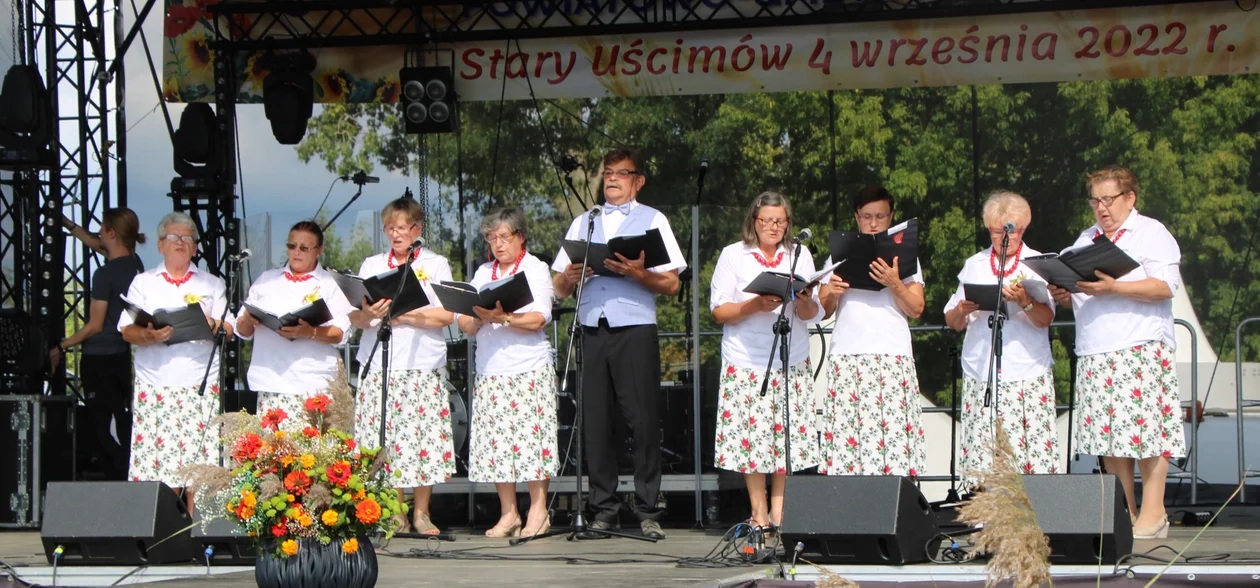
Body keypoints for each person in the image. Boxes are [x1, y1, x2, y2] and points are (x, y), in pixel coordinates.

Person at [551, 147, 686, 540]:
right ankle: (603, 509)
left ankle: (647, 509)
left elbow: (672, 282)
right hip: (592, 326)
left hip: (634, 326)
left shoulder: (653, 219)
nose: (611, 179)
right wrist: (572, 275)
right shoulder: (584, 222)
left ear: (638, 180)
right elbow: (557, 287)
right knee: (595, 421)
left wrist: (638, 273)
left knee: (641, 419)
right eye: (608, 173)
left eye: (621, 173)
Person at [1048, 165, 1185, 539]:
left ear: (1130, 198)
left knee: (1146, 432)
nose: (1101, 208)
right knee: (1107, 436)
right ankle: (1125, 510)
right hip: (1096, 349)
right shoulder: (1086, 238)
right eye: (1095, 200)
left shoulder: (1150, 232)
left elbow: (1164, 286)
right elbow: (1079, 288)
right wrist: (1064, 292)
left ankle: (1154, 511)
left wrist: (1115, 289)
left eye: (1108, 199)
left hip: (1139, 346)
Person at [710, 191, 823, 531]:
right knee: (752, 438)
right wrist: (752, 306)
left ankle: (780, 511)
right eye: (767, 221)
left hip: (791, 357)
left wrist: (803, 299)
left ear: (788, 224)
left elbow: (812, 312)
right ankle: (758, 512)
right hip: (746, 360)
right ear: (754, 222)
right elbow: (719, 311)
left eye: (780, 221)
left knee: (784, 435)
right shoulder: (734, 255)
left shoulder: (799, 256)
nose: (773, 227)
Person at [349, 197, 455, 536]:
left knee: (420, 439)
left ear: (417, 229)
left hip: (421, 363)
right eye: (389, 228)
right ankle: (395, 511)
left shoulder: (436, 264)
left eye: (402, 228)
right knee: (388, 441)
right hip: (380, 362)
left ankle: (422, 512)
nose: (395, 234)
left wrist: (401, 312)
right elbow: (356, 316)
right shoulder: (371, 264)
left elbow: (447, 314)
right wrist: (371, 315)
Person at [943, 191, 1058, 489]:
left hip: (1026, 371)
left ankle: (1031, 519)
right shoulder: (975, 264)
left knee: (1027, 449)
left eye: (1009, 231)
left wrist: (1025, 302)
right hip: (983, 371)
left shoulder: (1036, 264)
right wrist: (962, 309)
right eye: (995, 231)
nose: (1002, 238)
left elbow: (1046, 319)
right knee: (984, 451)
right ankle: (986, 520)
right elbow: (953, 321)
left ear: (1023, 229)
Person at [117, 212, 230, 509]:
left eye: (187, 239)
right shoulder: (143, 283)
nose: (180, 243)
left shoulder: (212, 284)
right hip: (155, 385)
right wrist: (150, 336)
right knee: (155, 465)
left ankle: (194, 537)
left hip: (198, 386)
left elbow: (230, 329)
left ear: (194, 248)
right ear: (160, 246)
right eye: (173, 238)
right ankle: (158, 538)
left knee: (199, 466)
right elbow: (127, 331)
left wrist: (211, 323)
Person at [458, 208, 557, 538]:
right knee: (499, 444)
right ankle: (509, 512)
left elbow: (539, 318)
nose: (498, 244)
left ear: (520, 236)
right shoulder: (484, 271)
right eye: (491, 237)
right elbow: (464, 322)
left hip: (529, 367)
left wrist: (503, 318)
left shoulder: (535, 268)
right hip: (491, 370)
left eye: (504, 236)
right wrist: (481, 317)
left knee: (533, 441)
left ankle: (539, 511)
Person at [817, 185, 927, 477]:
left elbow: (916, 308)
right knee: (848, 441)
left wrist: (894, 282)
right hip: (849, 356)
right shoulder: (838, 256)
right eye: (867, 216)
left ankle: (892, 509)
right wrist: (833, 290)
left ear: (891, 217)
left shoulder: (906, 257)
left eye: (880, 216)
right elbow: (824, 309)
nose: (874, 223)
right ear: (856, 217)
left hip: (891, 355)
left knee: (892, 441)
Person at [50, 209, 146, 480]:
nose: (99, 234)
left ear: (112, 233)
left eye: (103, 229)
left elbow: (94, 325)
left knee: (100, 426)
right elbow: (94, 242)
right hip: (121, 356)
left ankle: (117, 480)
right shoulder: (133, 263)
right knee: (119, 418)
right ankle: (125, 476)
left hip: (100, 358)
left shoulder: (105, 275)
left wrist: (60, 347)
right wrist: (68, 224)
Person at [235, 221, 354, 418]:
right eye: (292, 246)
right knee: (273, 447)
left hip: (315, 383)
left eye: (304, 248)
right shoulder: (267, 280)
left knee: (314, 448)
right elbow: (242, 330)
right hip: (271, 381)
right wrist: (249, 319)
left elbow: (340, 334)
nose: (296, 252)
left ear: (319, 251)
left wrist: (310, 332)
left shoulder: (331, 284)